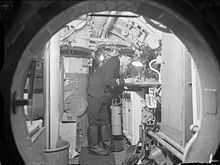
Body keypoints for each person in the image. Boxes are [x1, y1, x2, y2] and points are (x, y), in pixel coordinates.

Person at [87, 50, 124, 155]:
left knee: (105, 120)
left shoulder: (116, 64)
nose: (128, 62)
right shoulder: (114, 61)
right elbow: (109, 81)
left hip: (103, 95)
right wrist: (120, 82)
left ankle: (107, 145)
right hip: (95, 94)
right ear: (123, 56)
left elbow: (114, 79)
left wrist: (121, 80)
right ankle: (93, 146)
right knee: (94, 121)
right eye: (128, 59)